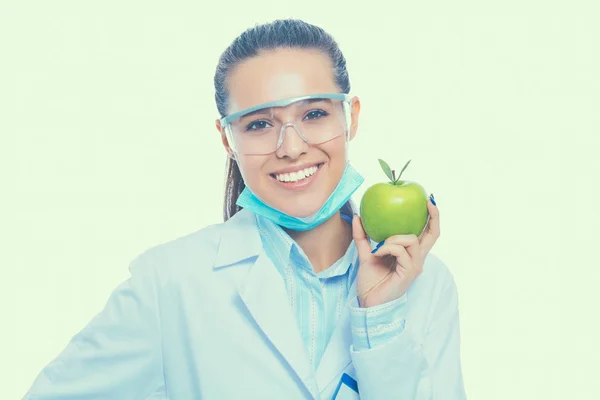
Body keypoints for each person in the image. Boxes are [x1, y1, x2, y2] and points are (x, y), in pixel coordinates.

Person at [24, 18, 466, 399]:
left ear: (350, 116)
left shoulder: (427, 285)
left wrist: (379, 318)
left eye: (314, 115)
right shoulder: (170, 285)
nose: (291, 147)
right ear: (226, 140)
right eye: (259, 124)